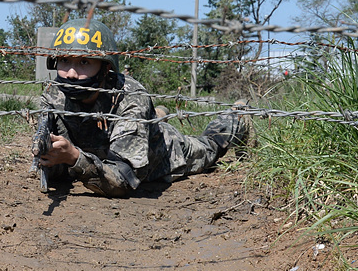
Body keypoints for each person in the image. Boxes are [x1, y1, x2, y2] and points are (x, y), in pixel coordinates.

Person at [34, 18, 252, 198]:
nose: (71, 73)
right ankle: (157, 115)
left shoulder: (130, 96)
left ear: (105, 67)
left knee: (209, 147)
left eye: (84, 62)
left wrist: (74, 158)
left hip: (163, 155)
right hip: (107, 146)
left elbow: (122, 181)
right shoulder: (54, 95)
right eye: (64, 60)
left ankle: (238, 116)